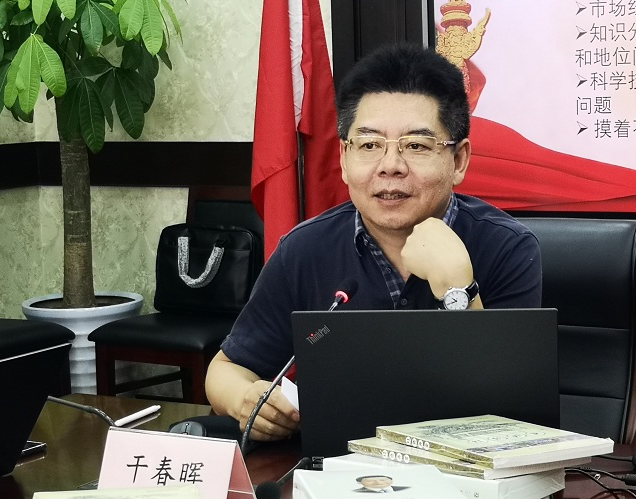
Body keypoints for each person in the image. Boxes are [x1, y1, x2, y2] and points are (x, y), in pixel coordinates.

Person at [205, 43, 542, 442]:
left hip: (461, 465)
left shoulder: (507, 248)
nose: (390, 166)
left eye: (416, 146)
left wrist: (457, 288)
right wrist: (245, 399)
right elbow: (225, 370)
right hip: (336, 463)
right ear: (344, 159)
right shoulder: (304, 249)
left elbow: (509, 414)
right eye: (369, 145)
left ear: (458, 160)